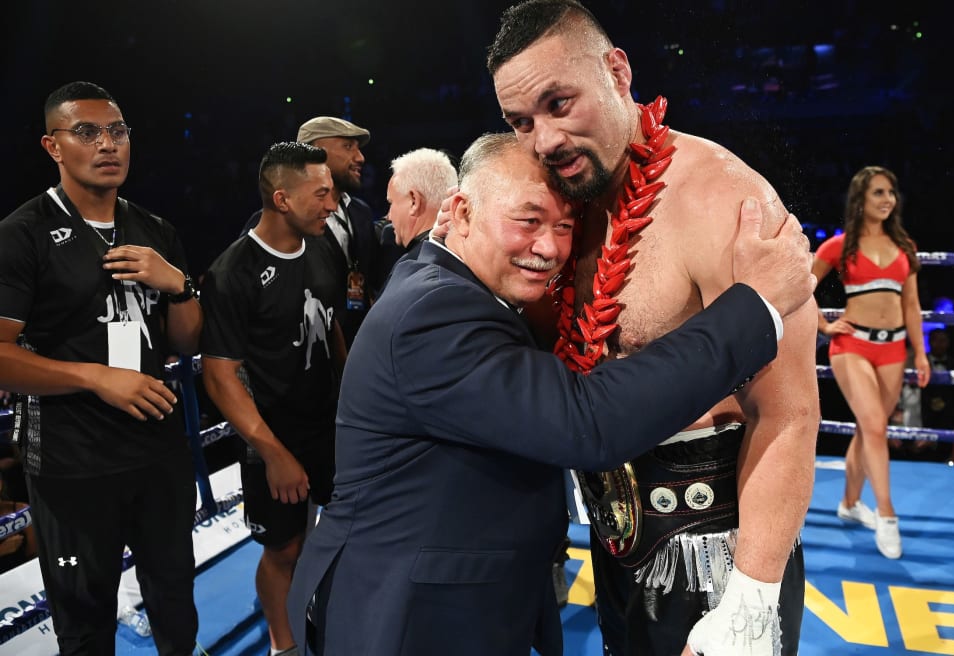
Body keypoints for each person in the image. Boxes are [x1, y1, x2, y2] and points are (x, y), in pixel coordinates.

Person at [286, 132, 816, 655]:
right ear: (463, 213)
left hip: (462, 595)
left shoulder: (444, 275)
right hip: (406, 618)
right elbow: (591, 422)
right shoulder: (434, 316)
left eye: (565, 226)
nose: (549, 247)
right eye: (528, 220)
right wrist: (754, 306)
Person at [487, 3, 818, 654]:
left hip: (714, 546)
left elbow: (789, 415)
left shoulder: (721, 202)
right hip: (616, 539)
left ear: (617, 72)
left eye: (560, 103)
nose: (544, 139)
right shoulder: (566, 206)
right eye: (520, 122)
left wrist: (751, 596)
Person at [0, 81, 201, 655]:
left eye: (117, 131)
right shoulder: (23, 235)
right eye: (86, 132)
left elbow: (186, 343)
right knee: (85, 621)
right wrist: (94, 376)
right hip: (72, 465)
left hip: (157, 452)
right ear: (53, 146)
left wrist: (180, 286)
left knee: (175, 599)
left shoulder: (156, 230)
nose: (107, 144)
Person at [200, 142, 346, 656]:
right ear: (282, 199)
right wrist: (272, 451)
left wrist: (354, 407)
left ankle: (332, 624)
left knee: (344, 534)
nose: (333, 204)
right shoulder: (231, 273)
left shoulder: (325, 245)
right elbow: (220, 376)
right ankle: (284, 649)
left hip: (330, 425)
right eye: (322, 193)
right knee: (283, 549)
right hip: (274, 435)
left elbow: (334, 331)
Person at [812, 166, 930, 559]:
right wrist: (823, 325)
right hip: (853, 345)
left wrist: (922, 352)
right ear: (860, 200)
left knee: (869, 429)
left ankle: (848, 504)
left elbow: (911, 306)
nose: (887, 200)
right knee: (877, 426)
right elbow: (799, 284)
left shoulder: (904, 246)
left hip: (894, 349)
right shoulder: (839, 247)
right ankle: (887, 514)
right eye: (879, 193)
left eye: (891, 193)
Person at [241, 116, 397, 344]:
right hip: (302, 352)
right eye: (348, 146)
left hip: (359, 344)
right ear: (315, 151)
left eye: (359, 148)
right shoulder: (277, 221)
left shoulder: (359, 212)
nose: (360, 157)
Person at [385, 147, 457, 259]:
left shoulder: (415, 267)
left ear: (414, 201)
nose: (389, 217)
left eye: (391, 203)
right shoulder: (469, 256)